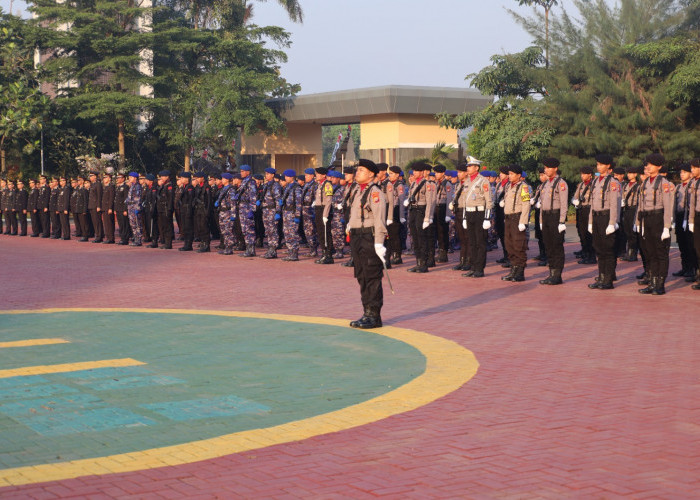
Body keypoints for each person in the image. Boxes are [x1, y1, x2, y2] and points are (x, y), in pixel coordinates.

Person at [347, 159, 388, 329]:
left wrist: (379, 243)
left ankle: (374, 315)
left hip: (369, 238)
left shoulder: (375, 192)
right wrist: (350, 226)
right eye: (357, 170)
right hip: (357, 237)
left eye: (361, 170)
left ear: (371, 174)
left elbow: (379, 219)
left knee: (372, 276)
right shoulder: (357, 190)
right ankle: (366, 312)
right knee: (362, 276)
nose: (357, 173)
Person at [636, 153, 674, 295]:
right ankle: (652, 283)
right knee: (650, 252)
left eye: (651, 164)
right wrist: (640, 222)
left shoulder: (664, 183)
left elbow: (668, 206)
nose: (648, 166)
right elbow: (641, 204)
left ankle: (660, 284)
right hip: (647, 219)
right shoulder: (645, 182)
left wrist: (666, 227)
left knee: (660, 253)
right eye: (647, 164)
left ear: (658, 166)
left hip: (659, 219)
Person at [588, 154, 621, 290]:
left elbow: (615, 204)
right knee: (599, 248)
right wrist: (590, 221)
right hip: (596, 217)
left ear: (608, 166)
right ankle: (601, 277)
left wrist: (613, 222)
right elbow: (592, 203)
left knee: (607, 250)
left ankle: (608, 279)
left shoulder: (613, 182)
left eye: (601, 164)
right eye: (597, 164)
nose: (599, 166)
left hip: (606, 217)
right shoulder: (596, 181)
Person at [458, 156, 492, 278]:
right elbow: (464, 201)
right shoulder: (467, 181)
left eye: (470, 166)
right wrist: (464, 217)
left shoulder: (483, 181)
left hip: (480, 214)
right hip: (469, 213)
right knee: (472, 242)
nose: (468, 168)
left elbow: (489, 201)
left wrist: (487, 218)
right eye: (467, 166)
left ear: (476, 167)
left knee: (480, 242)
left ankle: (479, 268)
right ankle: (473, 267)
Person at [538, 157, 569, 285]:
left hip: (555, 216)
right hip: (546, 216)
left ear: (555, 168)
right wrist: (540, 220)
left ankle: (557, 275)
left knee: (556, 246)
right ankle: (551, 272)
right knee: (548, 246)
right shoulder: (545, 184)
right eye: (545, 168)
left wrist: (562, 221)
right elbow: (541, 204)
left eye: (548, 167)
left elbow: (564, 204)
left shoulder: (561, 183)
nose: (546, 170)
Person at [501, 165, 531, 282]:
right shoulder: (508, 186)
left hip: (517, 218)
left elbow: (526, 204)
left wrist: (523, 221)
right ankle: (513, 270)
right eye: (509, 173)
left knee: (519, 245)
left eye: (512, 174)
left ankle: (520, 272)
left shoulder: (523, 187)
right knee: (509, 245)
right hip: (508, 218)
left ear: (519, 175)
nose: (510, 176)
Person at [405, 162, 436, 273]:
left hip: (422, 211)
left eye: (417, 171)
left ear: (422, 172)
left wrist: (428, 218)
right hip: (413, 210)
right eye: (414, 170)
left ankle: (424, 263)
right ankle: (418, 262)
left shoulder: (427, 184)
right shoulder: (413, 184)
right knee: (415, 237)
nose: (414, 173)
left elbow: (430, 202)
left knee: (422, 238)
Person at [672, 163, 697, 279]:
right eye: (681, 172)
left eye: (684, 172)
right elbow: (674, 204)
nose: (682, 174)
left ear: (690, 174)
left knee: (690, 244)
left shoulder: (692, 185)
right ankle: (685, 267)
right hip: (679, 216)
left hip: (689, 216)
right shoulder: (678, 187)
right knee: (681, 243)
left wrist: (688, 219)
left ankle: (692, 269)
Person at [572, 166, 595, 264]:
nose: (582, 176)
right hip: (581, 209)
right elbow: (575, 197)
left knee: (589, 234)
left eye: (584, 174)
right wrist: (574, 201)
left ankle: (591, 256)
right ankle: (585, 253)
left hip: (590, 209)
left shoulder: (594, 185)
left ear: (590, 174)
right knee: (582, 232)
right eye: (581, 174)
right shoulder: (581, 185)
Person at [281, 169, 303, 261]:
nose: (285, 178)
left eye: (286, 176)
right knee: (287, 233)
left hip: (292, 214)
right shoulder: (288, 187)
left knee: (293, 234)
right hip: (286, 213)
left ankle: (294, 253)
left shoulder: (296, 188)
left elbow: (298, 203)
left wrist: (297, 216)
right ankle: (290, 252)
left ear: (291, 177)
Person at [260, 167, 282, 259]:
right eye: (266, 174)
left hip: (272, 211)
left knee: (273, 231)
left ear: (272, 175)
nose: (266, 175)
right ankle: (270, 249)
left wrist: (278, 212)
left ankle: (273, 250)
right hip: (265, 211)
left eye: (268, 174)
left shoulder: (275, 186)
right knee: (268, 231)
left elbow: (278, 200)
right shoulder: (266, 185)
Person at [314, 167, 334, 264]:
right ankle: (323, 253)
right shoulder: (319, 185)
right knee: (320, 233)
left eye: (317, 174)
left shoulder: (327, 185)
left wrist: (325, 214)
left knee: (326, 233)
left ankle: (328, 255)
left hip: (324, 210)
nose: (316, 175)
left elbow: (329, 201)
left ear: (323, 175)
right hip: (318, 209)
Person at [386, 166, 406, 265]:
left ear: (397, 175)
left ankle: (397, 255)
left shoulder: (399, 185)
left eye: (392, 173)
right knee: (390, 234)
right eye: (389, 173)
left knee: (395, 235)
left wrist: (402, 216)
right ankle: (392, 254)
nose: (390, 175)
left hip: (396, 210)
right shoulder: (390, 184)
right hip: (390, 210)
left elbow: (402, 201)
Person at [620, 166, 641, 261]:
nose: (628, 175)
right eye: (628, 173)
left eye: (631, 173)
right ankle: (629, 252)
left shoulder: (638, 186)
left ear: (635, 174)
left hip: (634, 209)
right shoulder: (625, 185)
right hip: (626, 209)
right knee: (627, 231)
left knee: (633, 233)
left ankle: (633, 253)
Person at [238, 165, 258, 257]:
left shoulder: (251, 182)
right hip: (242, 208)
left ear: (248, 172)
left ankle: (251, 249)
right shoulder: (244, 181)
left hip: (247, 208)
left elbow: (253, 197)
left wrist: (252, 210)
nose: (241, 173)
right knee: (244, 229)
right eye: (241, 171)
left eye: (243, 171)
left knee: (249, 229)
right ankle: (248, 248)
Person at [193, 172, 212, 253]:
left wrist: (207, 211)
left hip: (204, 209)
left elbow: (209, 201)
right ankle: (202, 242)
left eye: (198, 177)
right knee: (199, 227)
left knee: (204, 227)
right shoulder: (197, 187)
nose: (196, 179)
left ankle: (206, 245)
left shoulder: (207, 187)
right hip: (198, 209)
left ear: (202, 178)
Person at [688, 158, 700, 289]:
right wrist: (691, 220)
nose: (692, 170)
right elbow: (692, 204)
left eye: (694, 167)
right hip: (697, 217)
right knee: (698, 249)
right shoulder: (695, 183)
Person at [156, 170, 175, 249]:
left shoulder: (169, 186)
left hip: (166, 209)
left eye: (163, 176)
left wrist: (170, 209)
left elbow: (170, 199)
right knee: (163, 226)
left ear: (167, 177)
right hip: (161, 208)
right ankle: (166, 242)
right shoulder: (163, 186)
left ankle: (168, 243)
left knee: (168, 227)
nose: (161, 178)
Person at [178, 172, 195, 251]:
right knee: (184, 227)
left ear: (187, 179)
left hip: (188, 209)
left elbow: (190, 200)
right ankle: (186, 244)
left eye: (182, 178)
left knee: (188, 227)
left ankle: (188, 245)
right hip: (183, 209)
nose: (181, 179)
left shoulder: (190, 187)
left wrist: (189, 211)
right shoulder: (184, 187)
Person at [126, 172, 143, 247]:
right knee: (132, 224)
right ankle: (135, 238)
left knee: (137, 224)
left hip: (135, 208)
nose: (129, 178)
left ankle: (138, 240)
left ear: (135, 178)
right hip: (130, 208)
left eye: (131, 177)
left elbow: (138, 199)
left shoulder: (137, 186)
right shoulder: (132, 186)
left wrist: (137, 208)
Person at [88, 171, 103, 243]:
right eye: (90, 176)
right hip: (91, 205)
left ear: (95, 176)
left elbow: (99, 196)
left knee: (97, 222)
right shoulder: (92, 184)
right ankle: (97, 235)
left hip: (96, 206)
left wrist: (99, 206)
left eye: (91, 176)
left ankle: (99, 236)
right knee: (94, 222)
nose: (90, 177)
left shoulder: (98, 184)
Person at [100, 172, 115, 244]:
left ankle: (111, 238)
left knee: (109, 223)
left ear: (109, 178)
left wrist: (110, 208)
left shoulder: (111, 186)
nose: (104, 179)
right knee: (106, 223)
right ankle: (108, 237)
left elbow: (111, 198)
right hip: (104, 207)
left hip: (108, 207)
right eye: (103, 178)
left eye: (105, 178)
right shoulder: (105, 187)